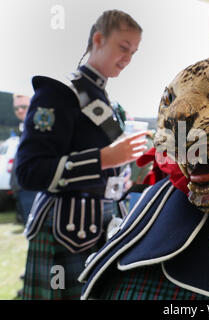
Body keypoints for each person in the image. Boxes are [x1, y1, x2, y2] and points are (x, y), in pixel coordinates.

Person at [15, 10, 148, 300]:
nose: (127, 59)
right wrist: (105, 159)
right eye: (123, 47)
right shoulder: (57, 93)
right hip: (65, 231)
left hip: (104, 226)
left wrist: (124, 174)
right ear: (98, 39)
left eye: (134, 52)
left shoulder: (107, 103)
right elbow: (28, 172)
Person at [10, 94, 38, 225]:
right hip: (22, 188)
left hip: (32, 189)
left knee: (34, 229)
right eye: (16, 108)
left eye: (23, 106)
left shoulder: (38, 125)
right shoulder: (25, 126)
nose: (20, 110)